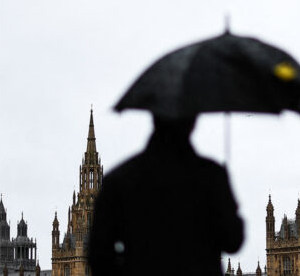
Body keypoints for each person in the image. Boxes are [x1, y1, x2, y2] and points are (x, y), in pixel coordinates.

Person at [88, 115, 244, 276]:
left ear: (153, 119)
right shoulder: (211, 175)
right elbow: (233, 241)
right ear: (192, 123)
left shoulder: (119, 178)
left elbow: (98, 256)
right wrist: (231, 208)